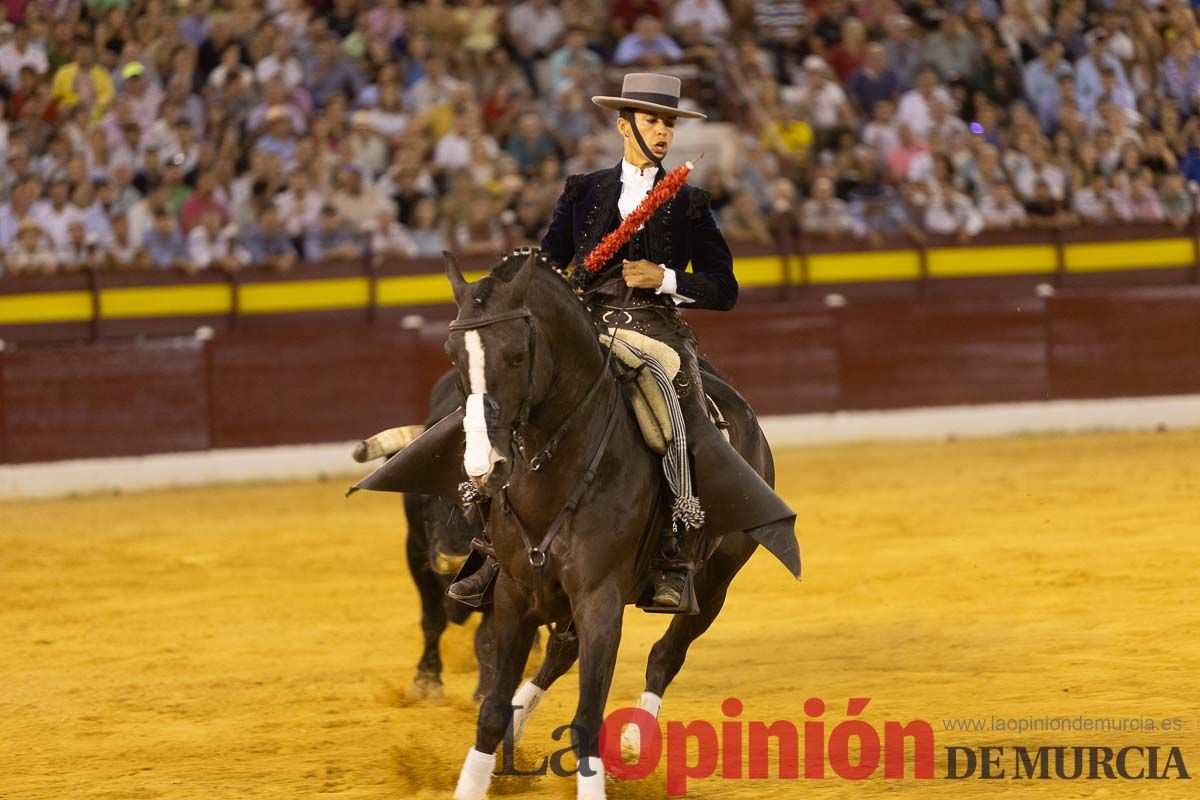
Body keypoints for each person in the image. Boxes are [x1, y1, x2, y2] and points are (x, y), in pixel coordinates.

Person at [446, 73, 794, 611]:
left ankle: (675, 548)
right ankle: (494, 543)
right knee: (510, 394)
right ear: (623, 124)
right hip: (585, 326)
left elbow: (725, 288)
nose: (663, 132)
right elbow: (543, 268)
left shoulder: (691, 202)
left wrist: (666, 279)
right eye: (653, 120)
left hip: (656, 328)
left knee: (674, 402)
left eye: (670, 123)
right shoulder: (583, 190)